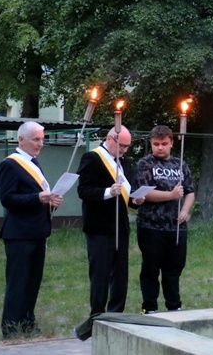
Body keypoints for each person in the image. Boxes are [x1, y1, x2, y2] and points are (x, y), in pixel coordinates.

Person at [0, 121, 64, 338]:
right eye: (36, 139)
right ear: (21, 140)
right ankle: (10, 328)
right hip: (19, 233)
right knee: (18, 282)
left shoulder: (34, 163)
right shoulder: (10, 164)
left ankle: (27, 323)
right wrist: (38, 197)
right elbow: (7, 199)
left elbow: (37, 195)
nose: (40, 144)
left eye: (42, 139)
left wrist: (50, 200)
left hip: (38, 231)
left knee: (33, 282)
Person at [77, 126, 144, 316]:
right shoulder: (92, 158)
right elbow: (83, 191)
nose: (123, 150)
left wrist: (135, 200)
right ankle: (97, 314)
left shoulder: (124, 162)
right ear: (109, 139)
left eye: (127, 147)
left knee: (120, 274)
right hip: (99, 226)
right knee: (100, 273)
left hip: (120, 226)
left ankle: (116, 312)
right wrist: (108, 192)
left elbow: (126, 194)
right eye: (121, 145)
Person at [134, 125, 195, 314]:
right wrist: (171, 195)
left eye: (164, 144)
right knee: (151, 268)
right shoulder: (145, 164)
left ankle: (174, 305)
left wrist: (185, 210)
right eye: (156, 144)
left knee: (174, 268)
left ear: (171, 143)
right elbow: (146, 193)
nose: (159, 148)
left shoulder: (180, 164)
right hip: (151, 225)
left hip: (175, 225)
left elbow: (191, 191)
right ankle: (149, 306)